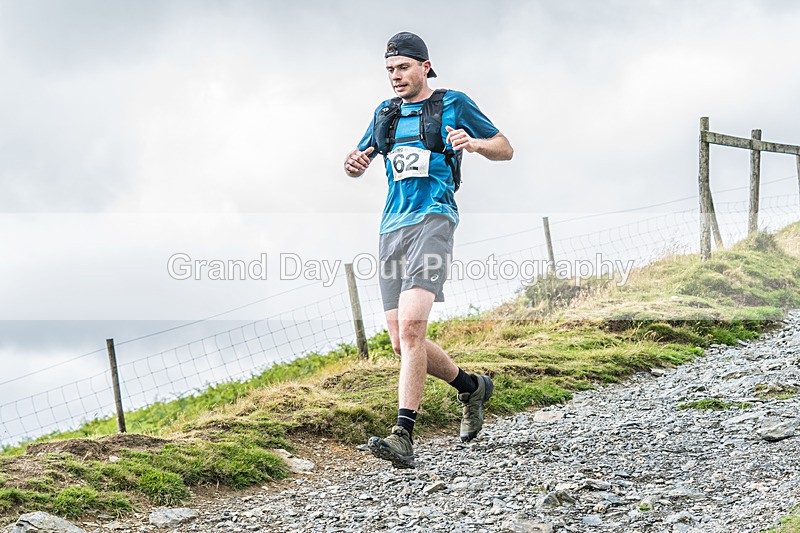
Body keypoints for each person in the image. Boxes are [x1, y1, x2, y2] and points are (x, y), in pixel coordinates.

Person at [344, 31, 513, 468]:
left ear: (425, 66)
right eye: (389, 70)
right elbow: (359, 159)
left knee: (415, 330)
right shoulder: (384, 113)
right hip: (391, 228)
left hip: (434, 219)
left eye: (402, 67)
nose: (396, 77)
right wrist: (354, 164)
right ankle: (471, 388)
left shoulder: (453, 102)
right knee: (402, 343)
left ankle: (403, 434)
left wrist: (473, 144)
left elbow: (505, 148)